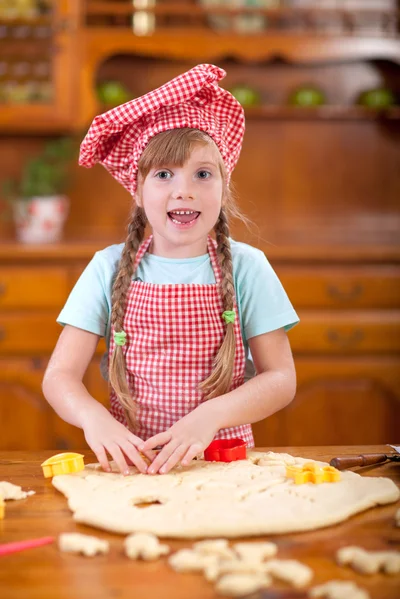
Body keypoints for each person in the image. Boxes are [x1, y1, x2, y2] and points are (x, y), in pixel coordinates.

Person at [42, 64, 299, 477]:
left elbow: (281, 379)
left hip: (224, 466)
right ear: (138, 191)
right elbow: (59, 377)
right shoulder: (106, 268)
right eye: (164, 174)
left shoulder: (249, 267)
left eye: (202, 173)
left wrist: (211, 415)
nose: (184, 190)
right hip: (134, 467)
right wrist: (94, 420)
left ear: (223, 185)